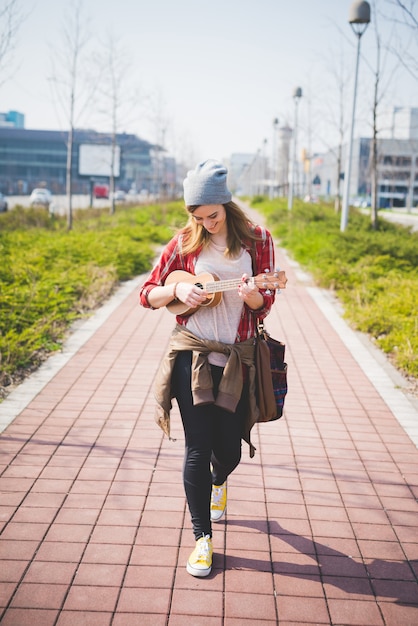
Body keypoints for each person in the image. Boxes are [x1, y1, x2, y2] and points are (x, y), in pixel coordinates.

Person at [139, 159, 276, 577]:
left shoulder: (257, 240)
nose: (206, 224)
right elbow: (147, 294)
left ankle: (221, 483)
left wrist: (253, 296)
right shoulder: (184, 242)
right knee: (196, 447)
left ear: (226, 205)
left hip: (238, 358)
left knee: (229, 448)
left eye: (212, 215)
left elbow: (266, 303)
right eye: (198, 217)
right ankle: (201, 539)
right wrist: (178, 288)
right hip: (192, 356)